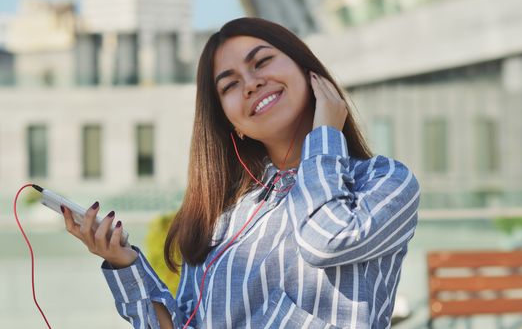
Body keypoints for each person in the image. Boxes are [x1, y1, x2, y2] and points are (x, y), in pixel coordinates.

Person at [62, 17, 420, 328]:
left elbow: (325, 241)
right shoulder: (223, 219)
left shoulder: (383, 182)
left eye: (262, 62)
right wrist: (124, 263)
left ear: (311, 74)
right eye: (230, 85)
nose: (250, 83)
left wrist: (324, 136)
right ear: (234, 125)